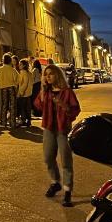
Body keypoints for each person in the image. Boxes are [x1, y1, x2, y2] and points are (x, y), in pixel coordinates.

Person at [34, 64, 81, 207]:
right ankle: (55, 182)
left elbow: (75, 109)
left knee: (66, 159)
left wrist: (62, 105)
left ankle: (67, 190)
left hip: (63, 129)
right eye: (45, 75)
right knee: (48, 157)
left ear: (57, 75)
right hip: (49, 127)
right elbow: (38, 106)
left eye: (50, 74)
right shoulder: (46, 91)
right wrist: (42, 91)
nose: (47, 77)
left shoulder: (67, 92)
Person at [0, 53, 18, 128]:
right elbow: (18, 79)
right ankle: (12, 123)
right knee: (12, 106)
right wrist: (15, 85)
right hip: (11, 88)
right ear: (10, 61)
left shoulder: (0, 69)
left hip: (3, 88)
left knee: (3, 105)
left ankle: (3, 122)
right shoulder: (12, 69)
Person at [17, 58, 34, 127]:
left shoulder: (23, 72)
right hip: (29, 93)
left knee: (22, 107)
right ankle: (28, 120)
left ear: (24, 65)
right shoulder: (29, 73)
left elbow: (24, 83)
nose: (19, 65)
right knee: (28, 108)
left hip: (23, 93)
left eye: (20, 64)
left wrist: (21, 92)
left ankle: (24, 120)